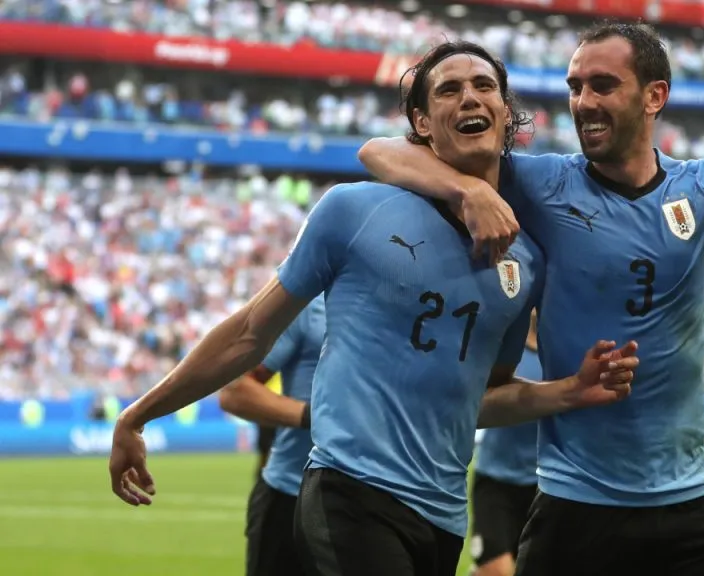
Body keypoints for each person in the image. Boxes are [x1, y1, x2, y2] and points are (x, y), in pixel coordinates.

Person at [357, 22, 704, 576]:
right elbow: (378, 151)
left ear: (655, 96)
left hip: (691, 505)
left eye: (603, 85)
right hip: (576, 509)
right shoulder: (540, 183)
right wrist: (472, 188)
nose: (584, 102)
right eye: (575, 86)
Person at [107, 40, 640, 576]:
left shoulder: (524, 262)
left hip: (443, 515)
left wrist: (567, 392)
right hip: (349, 491)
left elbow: (478, 401)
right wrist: (138, 415)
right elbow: (249, 331)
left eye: (484, 87)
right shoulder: (353, 210)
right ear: (423, 124)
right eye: (449, 90)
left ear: (506, 113)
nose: (470, 97)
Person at [218, 296, 326, 576]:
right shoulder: (309, 307)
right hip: (291, 496)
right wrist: (316, 418)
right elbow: (235, 390)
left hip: (381, 499)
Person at [470, 309, 540, 576]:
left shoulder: (558, 353)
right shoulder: (505, 348)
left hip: (542, 487)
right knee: (496, 571)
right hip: (497, 479)